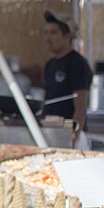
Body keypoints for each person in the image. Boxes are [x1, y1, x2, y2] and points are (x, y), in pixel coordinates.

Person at [41, 9, 93, 145]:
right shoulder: (49, 65)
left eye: (53, 33)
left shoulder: (77, 64)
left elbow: (81, 107)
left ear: (67, 35)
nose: (47, 38)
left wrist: (73, 138)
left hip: (69, 134)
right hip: (50, 132)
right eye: (46, 33)